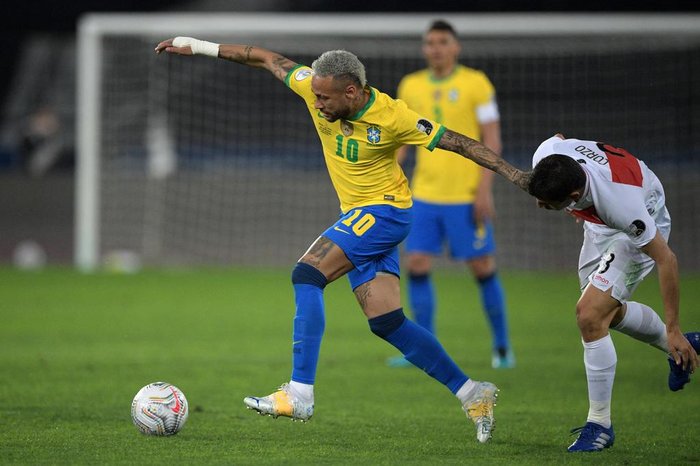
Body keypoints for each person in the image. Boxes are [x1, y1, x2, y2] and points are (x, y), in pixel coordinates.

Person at [155, 36, 528, 443]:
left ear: (352, 92)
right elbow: (264, 58)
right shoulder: (312, 85)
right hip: (360, 215)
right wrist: (196, 45)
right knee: (387, 323)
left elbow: (461, 142)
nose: (316, 104)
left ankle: (299, 393)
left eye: (325, 98)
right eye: (314, 94)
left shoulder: (394, 117)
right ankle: (473, 392)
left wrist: (518, 177)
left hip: (386, 212)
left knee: (307, 274)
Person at [528, 133, 700, 452]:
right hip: (598, 226)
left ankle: (600, 425)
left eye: (547, 203)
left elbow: (667, 260)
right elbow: (559, 138)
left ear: (575, 195)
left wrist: (673, 325)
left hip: (641, 223)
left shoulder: (623, 207)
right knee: (602, 316)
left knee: (590, 315)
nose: (539, 206)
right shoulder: (549, 156)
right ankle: (684, 347)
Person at [391, 20, 513, 369]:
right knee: (415, 263)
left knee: (482, 266)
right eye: (430, 42)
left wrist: (485, 190)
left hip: (466, 194)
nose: (436, 48)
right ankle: (423, 349)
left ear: (455, 47)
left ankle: (502, 347)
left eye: (443, 41)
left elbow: (492, 140)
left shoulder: (476, 83)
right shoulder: (410, 85)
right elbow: (400, 140)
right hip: (423, 195)